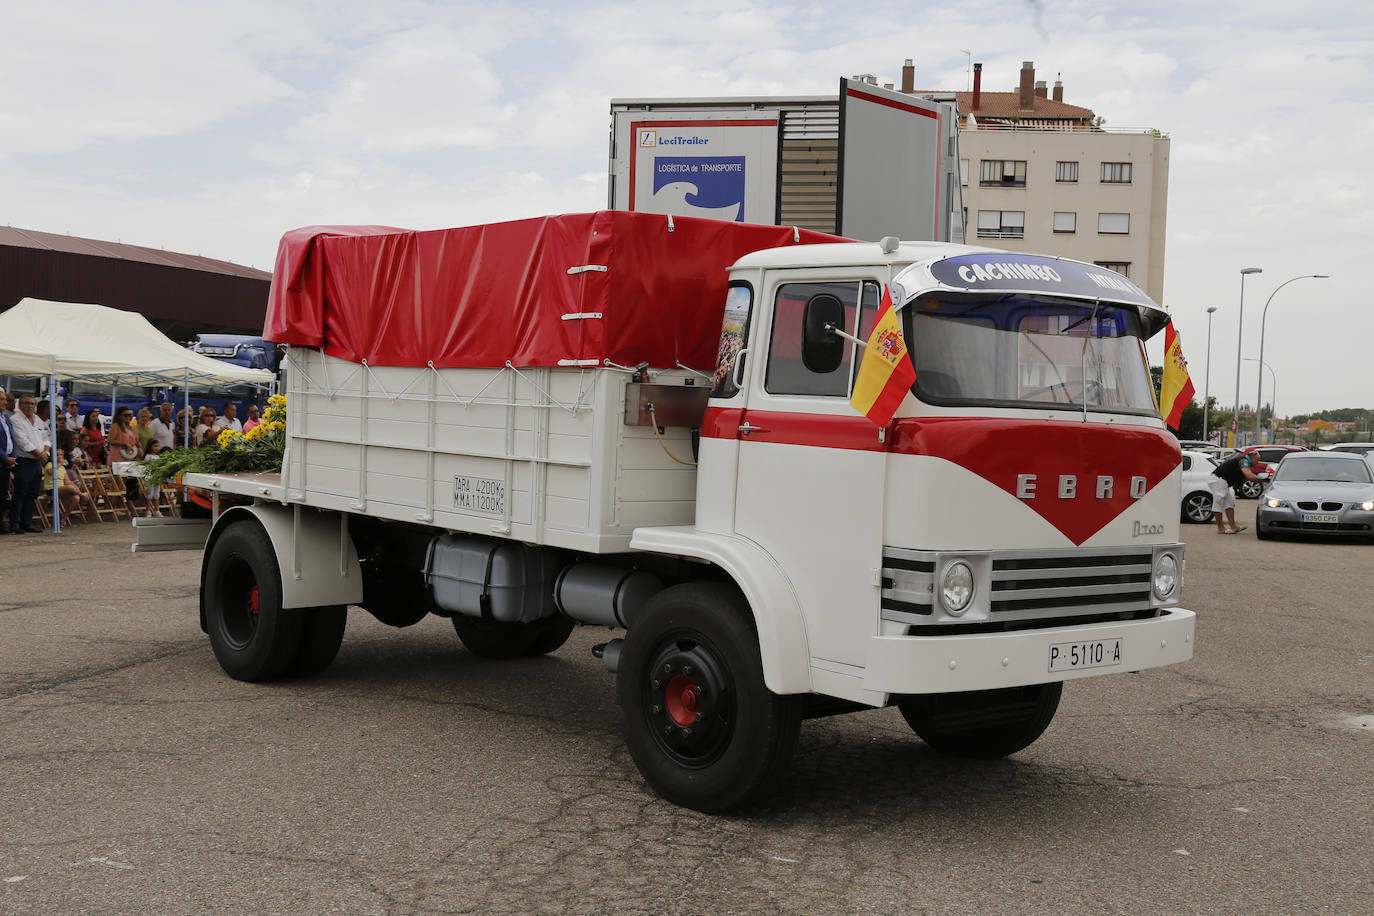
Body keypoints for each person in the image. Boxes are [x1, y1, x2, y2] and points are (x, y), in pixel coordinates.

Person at [9, 394, 50, 533]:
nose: (30, 406)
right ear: (19, 404)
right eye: (27, 403)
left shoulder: (37, 419)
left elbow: (46, 436)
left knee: (33, 493)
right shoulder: (15, 420)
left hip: (37, 461)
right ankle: (15, 523)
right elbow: (22, 441)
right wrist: (40, 455)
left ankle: (27, 522)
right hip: (24, 460)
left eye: (32, 404)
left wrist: (46, 451)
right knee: (20, 492)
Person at [1209, 449, 1263, 534]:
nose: (1257, 462)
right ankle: (1221, 528)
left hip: (1221, 480)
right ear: (1252, 456)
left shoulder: (1243, 461)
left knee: (1229, 503)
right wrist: (1263, 480)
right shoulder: (1243, 461)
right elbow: (1249, 475)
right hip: (1218, 480)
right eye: (1257, 460)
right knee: (1219, 502)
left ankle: (1233, 527)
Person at [106, 406, 145, 514]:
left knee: (132, 482)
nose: (128, 417)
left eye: (130, 415)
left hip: (130, 458)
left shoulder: (133, 428)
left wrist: (138, 447)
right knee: (118, 483)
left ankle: (131, 506)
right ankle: (114, 507)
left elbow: (136, 442)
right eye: (126, 415)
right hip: (117, 457)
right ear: (120, 416)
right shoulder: (116, 426)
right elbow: (110, 440)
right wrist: (123, 443)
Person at [44, 450, 91, 517]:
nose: (59, 457)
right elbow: (50, 472)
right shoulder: (50, 464)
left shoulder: (62, 468)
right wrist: (60, 464)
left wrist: (75, 486)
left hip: (62, 489)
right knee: (71, 488)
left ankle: (64, 517)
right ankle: (81, 494)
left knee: (76, 498)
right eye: (57, 455)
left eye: (61, 455)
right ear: (52, 457)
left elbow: (66, 481)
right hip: (51, 489)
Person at [0, 388, 16, 533]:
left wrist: (13, 456)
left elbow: (12, 439)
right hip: (2, 460)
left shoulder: (5, 418)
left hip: (7, 463)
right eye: (2, 399)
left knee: (3, 495)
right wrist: (5, 458)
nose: (5, 402)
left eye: (5, 399)